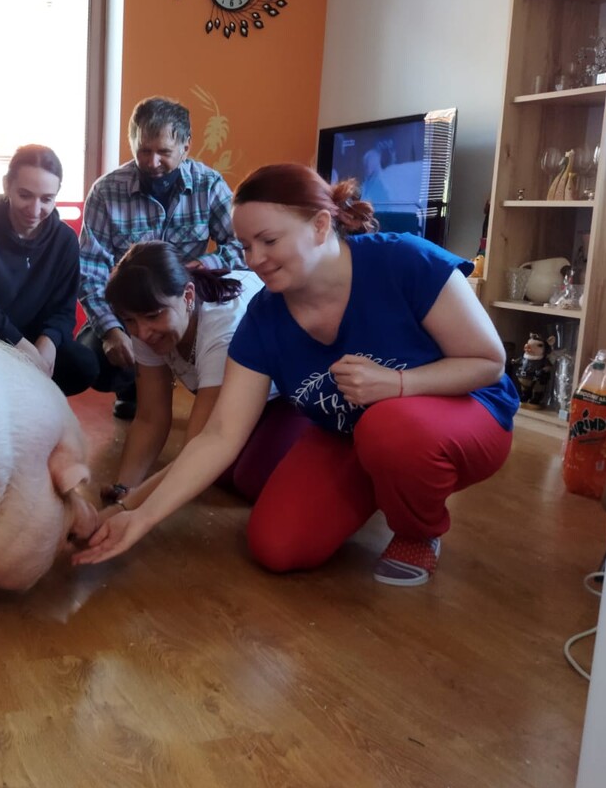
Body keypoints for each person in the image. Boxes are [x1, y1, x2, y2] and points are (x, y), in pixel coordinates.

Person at [75, 163, 518, 587]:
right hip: (350, 432)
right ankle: (383, 480)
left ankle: (418, 530)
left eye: (268, 240)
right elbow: (220, 435)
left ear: (321, 226)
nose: (255, 259)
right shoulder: (263, 319)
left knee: (389, 427)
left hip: (467, 410)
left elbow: (488, 362)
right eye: (246, 246)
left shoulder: (406, 260)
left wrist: (399, 385)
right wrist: (140, 517)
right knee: (276, 545)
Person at [100, 242, 310, 508]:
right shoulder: (148, 320)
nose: (142, 333)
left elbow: (197, 445)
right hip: (246, 399)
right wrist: (124, 488)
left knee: (249, 478)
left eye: (153, 316)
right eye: (129, 320)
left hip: (295, 394)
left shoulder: (223, 329)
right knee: (216, 471)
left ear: (188, 296)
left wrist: (127, 509)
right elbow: (150, 416)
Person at [78, 96, 245, 420]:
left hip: (189, 305)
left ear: (186, 146)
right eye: (143, 151)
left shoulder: (209, 185)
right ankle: (134, 388)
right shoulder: (105, 192)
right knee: (92, 359)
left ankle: (203, 389)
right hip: (130, 309)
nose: (153, 162)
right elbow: (90, 269)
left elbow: (243, 246)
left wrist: (197, 268)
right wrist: (112, 330)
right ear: (132, 144)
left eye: (164, 152)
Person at [0, 145, 97, 396]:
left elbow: (63, 310)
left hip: (28, 334)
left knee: (82, 365)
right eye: (25, 195)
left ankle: (23, 399)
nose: (35, 211)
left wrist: (48, 343)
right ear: (7, 186)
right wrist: (20, 346)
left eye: (46, 199)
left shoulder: (64, 240)